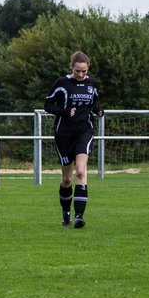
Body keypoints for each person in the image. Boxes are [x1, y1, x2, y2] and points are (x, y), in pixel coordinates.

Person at [44, 51, 103, 229]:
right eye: (78, 71)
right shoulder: (61, 84)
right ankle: (65, 213)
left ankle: (79, 216)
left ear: (88, 69)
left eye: (84, 71)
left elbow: (94, 103)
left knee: (80, 172)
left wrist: (99, 111)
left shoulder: (92, 84)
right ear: (72, 68)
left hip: (84, 131)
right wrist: (64, 112)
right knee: (67, 179)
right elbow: (47, 105)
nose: (81, 75)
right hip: (64, 134)